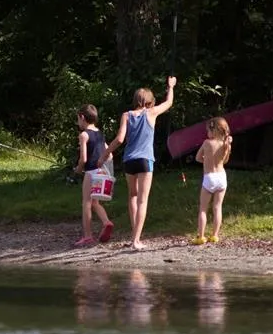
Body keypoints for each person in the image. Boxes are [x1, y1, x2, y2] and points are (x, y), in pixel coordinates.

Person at [97, 76, 176, 250]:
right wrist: (170, 86)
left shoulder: (126, 115)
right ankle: (136, 240)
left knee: (132, 196)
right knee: (142, 200)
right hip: (145, 160)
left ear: (135, 100)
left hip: (129, 161)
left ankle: (134, 235)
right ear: (150, 101)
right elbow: (169, 102)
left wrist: (104, 155)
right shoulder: (151, 112)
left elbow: (119, 139)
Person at [73, 104, 114, 246]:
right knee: (96, 202)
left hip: (90, 173)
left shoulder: (83, 135)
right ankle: (106, 222)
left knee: (86, 202)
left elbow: (83, 159)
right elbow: (109, 154)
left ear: (82, 117)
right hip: (102, 172)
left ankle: (87, 236)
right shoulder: (100, 133)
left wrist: (78, 169)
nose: (78, 122)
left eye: (78, 119)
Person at [192, 117, 232, 245]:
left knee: (203, 209)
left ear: (213, 130)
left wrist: (207, 160)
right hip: (221, 177)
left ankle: (201, 237)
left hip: (209, 177)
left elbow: (198, 158)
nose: (207, 133)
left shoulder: (207, 143)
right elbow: (225, 161)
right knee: (217, 207)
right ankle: (215, 235)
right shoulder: (225, 144)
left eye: (208, 131)